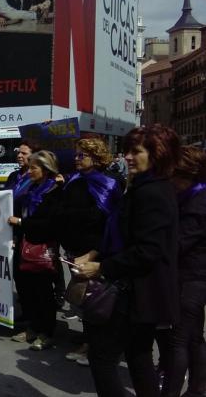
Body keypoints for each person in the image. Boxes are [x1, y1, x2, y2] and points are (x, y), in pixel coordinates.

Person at [76, 125, 180, 397]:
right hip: (139, 292)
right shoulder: (143, 187)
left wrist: (101, 267)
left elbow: (148, 251)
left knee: (103, 357)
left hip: (136, 292)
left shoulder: (152, 192)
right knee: (139, 356)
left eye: (137, 152)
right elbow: (121, 231)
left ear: (157, 155)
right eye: (127, 152)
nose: (128, 158)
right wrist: (95, 252)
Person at [55, 138, 120, 365]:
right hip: (74, 249)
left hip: (95, 251)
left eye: (81, 155)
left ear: (96, 157)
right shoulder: (74, 180)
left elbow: (109, 222)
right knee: (82, 300)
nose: (76, 158)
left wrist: (94, 253)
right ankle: (89, 339)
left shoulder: (109, 183)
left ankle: (94, 347)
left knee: (96, 300)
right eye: (76, 154)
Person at [7, 150, 62, 350]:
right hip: (24, 245)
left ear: (45, 170)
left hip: (42, 248)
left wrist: (21, 222)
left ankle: (46, 332)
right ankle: (32, 327)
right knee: (26, 290)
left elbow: (49, 224)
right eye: (29, 167)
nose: (29, 171)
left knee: (43, 292)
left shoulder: (54, 191)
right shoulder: (30, 190)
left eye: (34, 168)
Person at [162, 146, 206, 397]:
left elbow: (180, 242)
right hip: (193, 276)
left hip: (192, 278)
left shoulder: (198, 202)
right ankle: (198, 388)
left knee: (179, 341)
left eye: (173, 176)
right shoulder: (193, 196)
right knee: (193, 337)